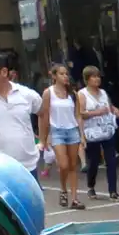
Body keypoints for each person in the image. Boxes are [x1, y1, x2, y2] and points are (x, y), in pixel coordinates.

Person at [39, 63, 84, 209]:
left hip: (72, 131)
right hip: (57, 131)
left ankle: (75, 198)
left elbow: (78, 115)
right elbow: (45, 116)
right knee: (63, 164)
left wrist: (82, 135)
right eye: (61, 74)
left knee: (72, 165)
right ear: (53, 76)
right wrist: (44, 138)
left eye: (66, 74)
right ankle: (63, 189)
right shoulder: (48, 93)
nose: (65, 77)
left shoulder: (73, 94)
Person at [79, 65, 119, 201]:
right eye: (93, 77)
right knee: (94, 161)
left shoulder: (103, 92)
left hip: (107, 130)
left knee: (111, 160)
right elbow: (81, 114)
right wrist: (97, 112)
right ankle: (91, 185)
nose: (97, 79)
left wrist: (115, 109)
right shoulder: (82, 94)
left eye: (98, 76)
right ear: (87, 79)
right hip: (92, 132)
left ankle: (113, 191)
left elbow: (109, 105)